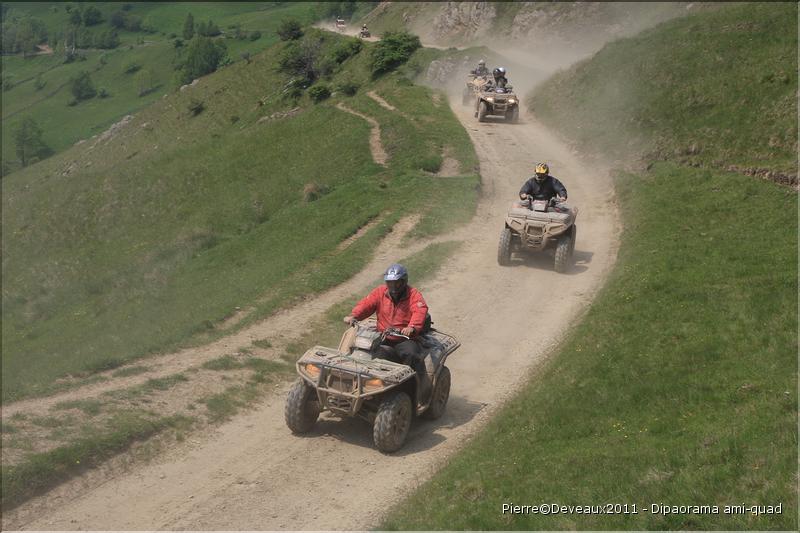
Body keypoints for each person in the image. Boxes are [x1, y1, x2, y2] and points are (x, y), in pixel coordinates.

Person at [343, 263, 433, 402]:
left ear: (404, 281)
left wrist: (412, 327)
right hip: (382, 335)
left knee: (412, 355)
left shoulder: (414, 295)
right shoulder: (380, 292)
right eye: (390, 283)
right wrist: (354, 316)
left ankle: (419, 392)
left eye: (396, 283)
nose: (393, 286)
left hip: (404, 339)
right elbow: (366, 305)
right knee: (359, 348)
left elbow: (419, 311)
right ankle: (353, 382)